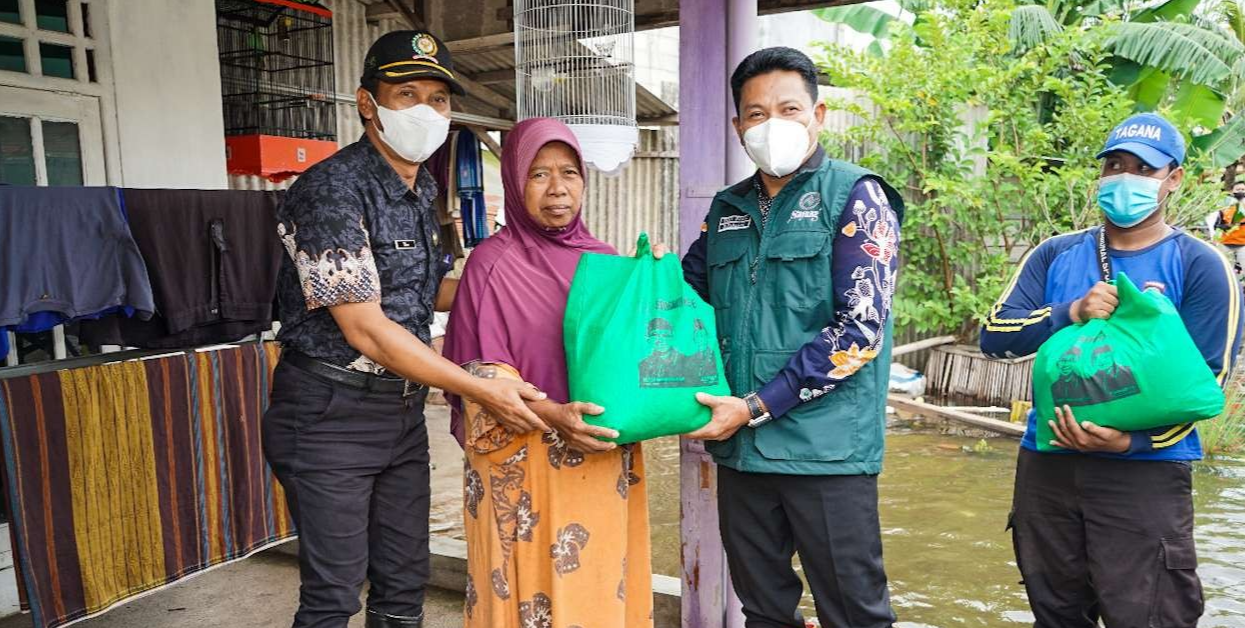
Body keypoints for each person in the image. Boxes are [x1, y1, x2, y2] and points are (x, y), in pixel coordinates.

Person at [262, 31, 546, 628]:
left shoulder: (421, 190)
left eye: (438, 99)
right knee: (334, 595)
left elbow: (425, 293)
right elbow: (366, 327)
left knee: (402, 586)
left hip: (399, 414)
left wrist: (526, 283)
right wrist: (479, 388)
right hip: (328, 414)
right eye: (407, 93)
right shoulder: (331, 190)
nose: (425, 110)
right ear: (368, 103)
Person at [981, 112, 1243, 628]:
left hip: (1145, 475)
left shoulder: (1201, 264)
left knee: (1150, 615)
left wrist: (1131, 443)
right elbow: (995, 338)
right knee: (1055, 613)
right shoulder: (1054, 254)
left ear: (1174, 179)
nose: (1126, 178)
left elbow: (1210, 382)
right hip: (1047, 466)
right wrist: (1069, 312)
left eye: (1144, 169)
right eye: (1115, 165)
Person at [681, 46, 904, 628]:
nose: (771, 124)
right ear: (737, 126)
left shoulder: (857, 196)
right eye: (755, 114)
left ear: (819, 114)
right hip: (743, 454)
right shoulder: (726, 209)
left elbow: (860, 330)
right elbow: (685, 305)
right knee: (763, 610)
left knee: (854, 612)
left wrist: (755, 406)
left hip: (827, 454)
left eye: (788, 108)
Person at [443, 118, 656, 628]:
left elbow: (638, 358)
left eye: (569, 172)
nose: (558, 189)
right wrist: (552, 414)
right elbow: (477, 376)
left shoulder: (607, 263)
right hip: (524, 464)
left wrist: (651, 286)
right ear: (515, 184)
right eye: (538, 174)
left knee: (599, 589)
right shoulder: (492, 264)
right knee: (527, 591)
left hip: (601, 457)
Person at [1217, 180, 1245, 271]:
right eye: (1238, 189)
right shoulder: (1224, 205)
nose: (1240, 191)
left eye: (1243, 189)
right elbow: (1216, 223)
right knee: (1227, 269)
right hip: (1226, 242)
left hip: (1243, 243)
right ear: (1232, 191)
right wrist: (1221, 226)